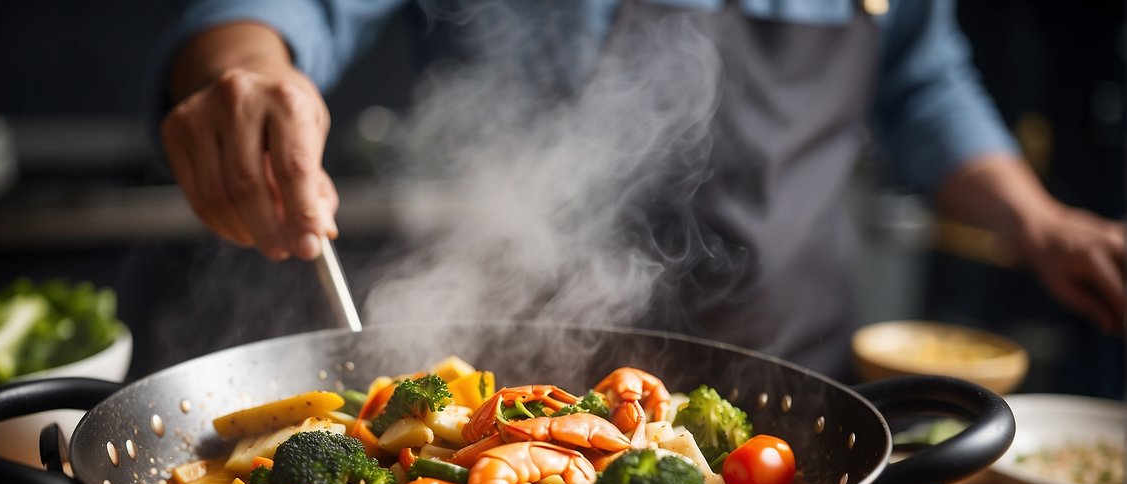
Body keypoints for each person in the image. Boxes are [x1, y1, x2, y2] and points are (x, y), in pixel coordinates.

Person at [157, 0, 1124, 379]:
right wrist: (243, 71)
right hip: (525, 381)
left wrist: (1037, 224)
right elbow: (279, 12)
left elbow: (923, 82)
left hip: (791, 391)